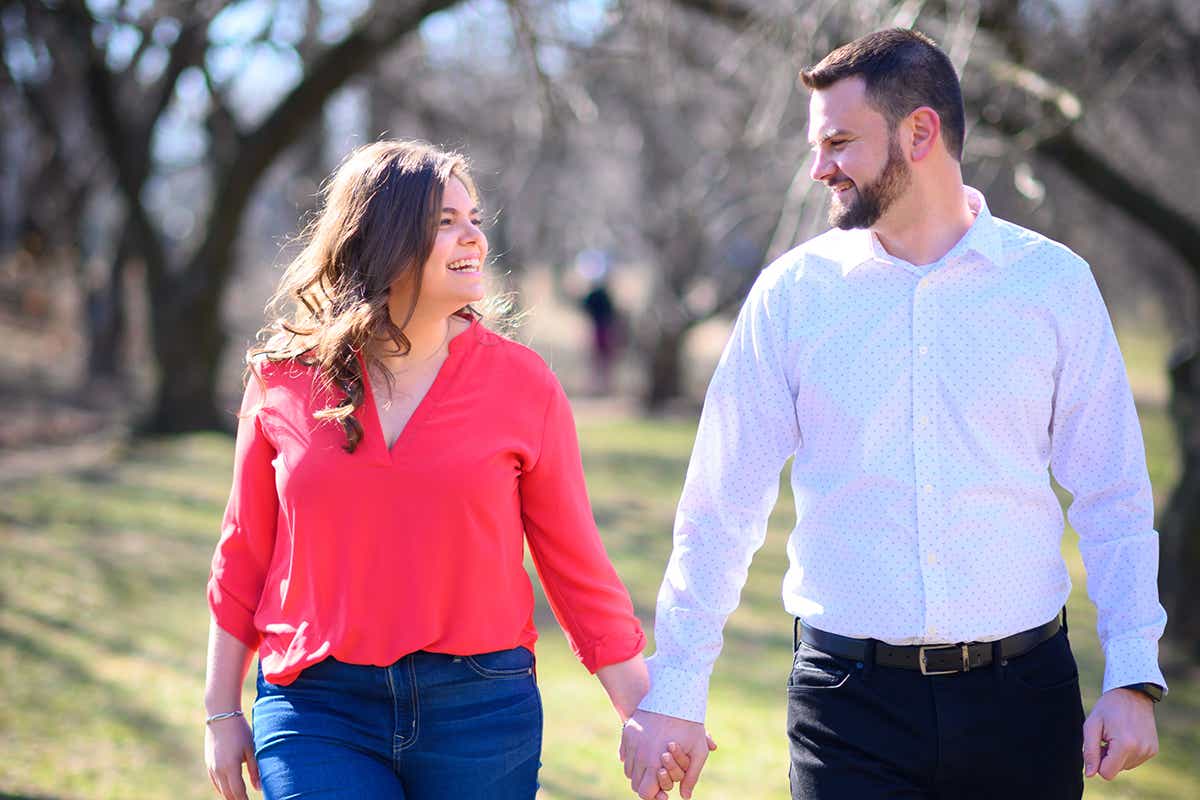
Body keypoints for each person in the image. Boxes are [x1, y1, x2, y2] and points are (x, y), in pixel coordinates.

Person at [621, 28, 1166, 800]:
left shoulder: (1052, 286)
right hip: (849, 710)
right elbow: (720, 507)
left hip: (1024, 702)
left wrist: (1134, 673)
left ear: (920, 132)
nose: (820, 169)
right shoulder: (791, 297)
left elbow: (1114, 494)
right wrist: (676, 689)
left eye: (839, 142)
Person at [202, 139, 655, 800]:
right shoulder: (282, 379)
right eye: (446, 221)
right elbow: (243, 552)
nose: (473, 236)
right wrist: (221, 711)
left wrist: (642, 711)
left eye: (474, 219)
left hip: (479, 709)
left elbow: (575, 564)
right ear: (382, 235)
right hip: (317, 706)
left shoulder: (523, 384)